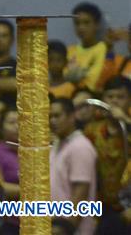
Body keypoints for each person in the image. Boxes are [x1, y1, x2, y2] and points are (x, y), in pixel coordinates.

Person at [82, 76, 131, 232]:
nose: (114, 101)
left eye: (120, 97)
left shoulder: (128, 127)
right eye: (110, 97)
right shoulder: (91, 130)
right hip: (100, 205)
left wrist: (126, 121)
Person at [49, 97, 98, 235]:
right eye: (50, 117)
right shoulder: (58, 145)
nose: (52, 121)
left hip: (70, 229)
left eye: (57, 116)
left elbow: (81, 192)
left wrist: (67, 227)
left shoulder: (80, 147)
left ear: (72, 116)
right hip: (54, 225)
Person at [67, 2, 108, 91]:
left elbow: (93, 81)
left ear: (97, 25)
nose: (81, 27)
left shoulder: (104, 50)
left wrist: (75, 75)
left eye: (86, 22)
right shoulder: (70, 50)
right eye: (77, 23)